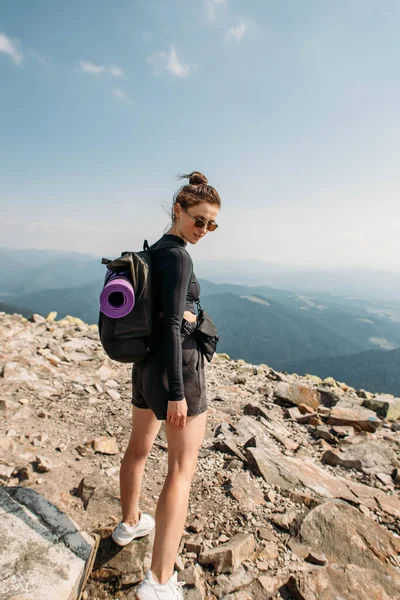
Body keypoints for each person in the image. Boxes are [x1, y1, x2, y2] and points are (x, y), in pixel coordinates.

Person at [112, 171, 221, 600]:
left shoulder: (153, 251)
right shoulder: (179, 257)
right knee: (180, 471)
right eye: (199, 220)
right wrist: (178, 392)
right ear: (178, 210)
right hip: (178, 373)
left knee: (138, 449)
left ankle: (130, 523)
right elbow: (175, 324)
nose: (205, 230)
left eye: (212, 224)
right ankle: (158, 581)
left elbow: (161, 314)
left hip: (144, 367)